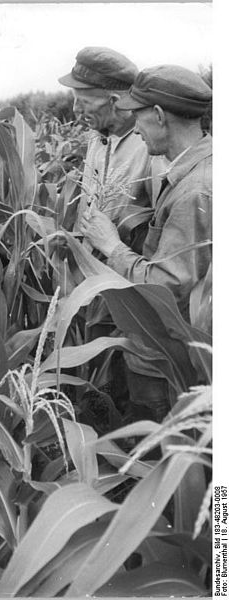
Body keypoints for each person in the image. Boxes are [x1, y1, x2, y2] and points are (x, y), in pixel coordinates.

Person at [80, 64, 212, 422]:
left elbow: (168, 288)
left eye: (137, 116)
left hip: (167, 362)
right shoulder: (193, 168)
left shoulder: (195, 189)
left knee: (159, 465)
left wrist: (111, 245)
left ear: (157, 115)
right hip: (164, 354)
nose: (134, 128)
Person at [58, 47, 165, 247]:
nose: (75, 109)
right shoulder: (97, 134)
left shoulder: (152, 149)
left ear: (114, 101)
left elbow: (161, 237)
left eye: (83, 102)